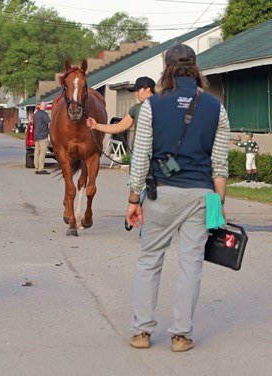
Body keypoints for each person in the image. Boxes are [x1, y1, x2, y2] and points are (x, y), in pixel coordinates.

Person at [125, 44, 230, 352]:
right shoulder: (215, 107)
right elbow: (220, 164)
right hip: (200, 196)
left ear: (166, 67)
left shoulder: (152, 106)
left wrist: (134, 198)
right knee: (191, 265)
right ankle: (181, 335)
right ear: (194, 67)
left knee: (150, 261)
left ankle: (142, 332)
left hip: (162, 195)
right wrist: (218, 206)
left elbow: (141, 156)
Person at [86, 76, 156, 148]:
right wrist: (95, 125)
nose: (136, 94)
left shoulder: (162, 107)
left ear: (148, 89)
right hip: (138, 153)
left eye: (138, 91)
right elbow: (119, 127)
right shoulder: (135, 109)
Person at [33, 102, 51, 175]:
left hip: (36, 136)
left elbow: (34, 123)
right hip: (43, 136)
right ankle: (41, 169)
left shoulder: (36, 114)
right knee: (42, 153)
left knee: (37, 153)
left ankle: (36, 168)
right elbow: (49, 123)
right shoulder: (44, 114)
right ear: (45, 107)